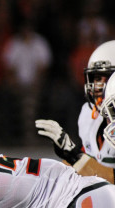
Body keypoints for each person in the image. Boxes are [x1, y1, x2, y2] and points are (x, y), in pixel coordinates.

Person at [35, 40, 115, 182]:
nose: (97, 86)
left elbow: (110, 180)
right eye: (95, 78)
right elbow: (85, 162)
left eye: (105, 78)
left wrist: (74, 156)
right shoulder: (89, 115)